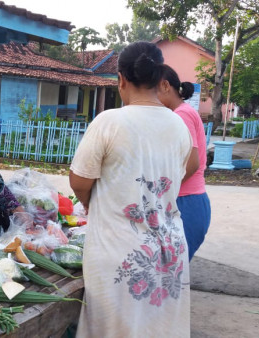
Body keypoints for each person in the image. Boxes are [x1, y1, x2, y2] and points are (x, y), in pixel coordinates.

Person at [69, 41, 192, 337]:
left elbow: (79, 180)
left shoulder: (109, 121)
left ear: (121, 79)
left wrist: (90, 203)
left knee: (114, 329)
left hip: (121, 252)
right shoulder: (179, 126)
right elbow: (186, 169)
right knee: (158, 330)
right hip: (169, 248)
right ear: (160, 78)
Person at [157, 65, 211, 261]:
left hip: (186, 201)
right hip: (186, 200)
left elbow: (192, 163)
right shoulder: (181, 112)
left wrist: (161, 191)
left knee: (172, 269)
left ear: (165, 86)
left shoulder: (182, 115)